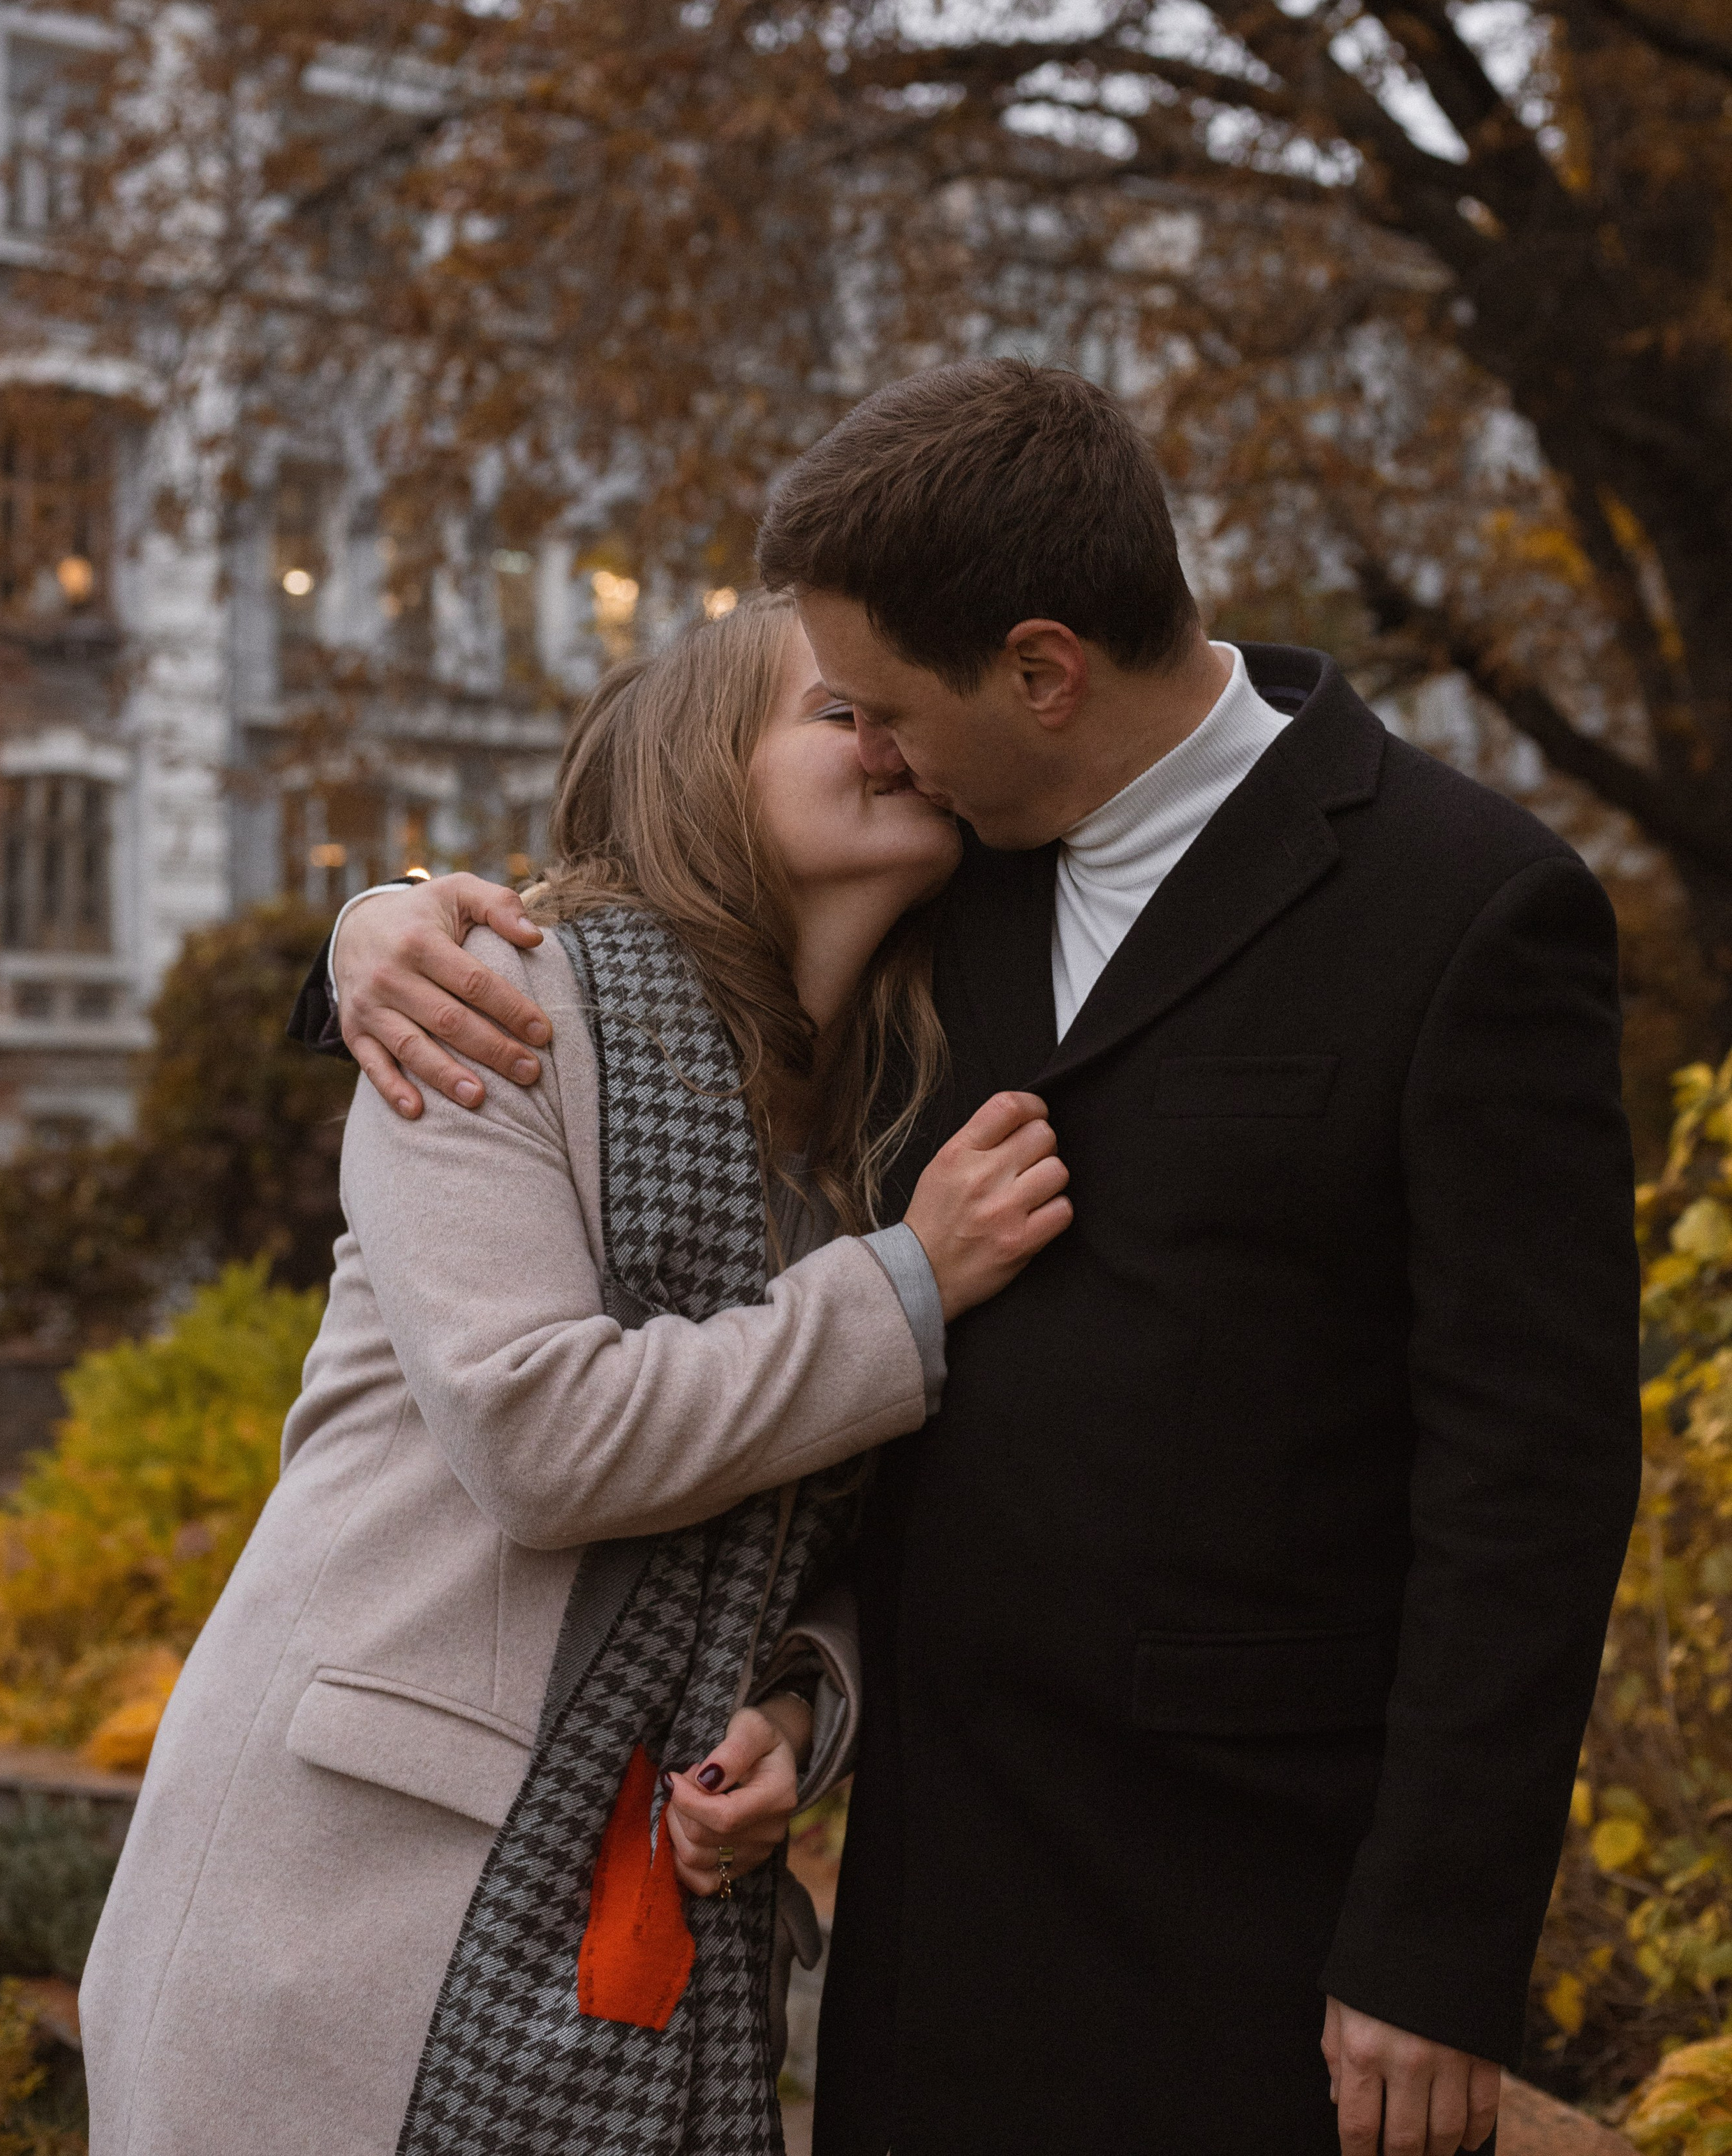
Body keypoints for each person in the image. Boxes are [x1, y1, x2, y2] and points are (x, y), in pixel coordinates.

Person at [316, 359, 1643, 2156]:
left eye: (881, 706)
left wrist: (1434, 1945)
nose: (867, 747)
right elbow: (665, 933)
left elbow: (1533, 1477)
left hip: (1251, 1902)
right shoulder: (944, 876)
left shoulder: (1466, 906)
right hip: (935, 1896)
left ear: (1039, 671)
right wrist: (374, 929)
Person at [80, 590, 1071, 2156]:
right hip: (342, 1918)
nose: (893, 739)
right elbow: (539, 1436)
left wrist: (802, 1712)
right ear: (704, 770)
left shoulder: (887, 1137)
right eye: (838, 713)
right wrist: (906, 1292)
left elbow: (844, 1531)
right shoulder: (501, 1007)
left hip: (628, 1931)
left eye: (903, 707)